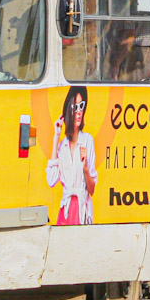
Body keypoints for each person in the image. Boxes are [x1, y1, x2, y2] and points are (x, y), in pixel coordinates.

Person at [46, 86, 97, 224]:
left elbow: (92, 190)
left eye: (82, 106)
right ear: (69, 110)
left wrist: (85, 168)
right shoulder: (62, 146)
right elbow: (51, 180)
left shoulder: (87, 140)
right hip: (66, 212)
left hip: (82, 211)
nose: (79, 111)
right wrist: (56, 136)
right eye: (75, 107)